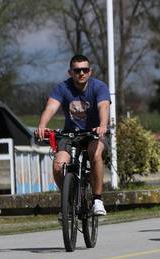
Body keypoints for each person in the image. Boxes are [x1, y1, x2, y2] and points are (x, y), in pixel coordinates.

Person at [36, 54, 110, 216]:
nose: (81, 73)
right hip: (70, 135)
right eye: (77, 70)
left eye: (85, 70)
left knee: (95, 153)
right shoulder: (62, 88)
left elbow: (103, 107)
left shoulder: (99, 87)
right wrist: (42, 125)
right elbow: (51, 107)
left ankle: (97, 200)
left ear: (90, 72)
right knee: (58, 165)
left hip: (94, 134)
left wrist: (102, 126)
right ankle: (68, 198)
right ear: (70, 72)